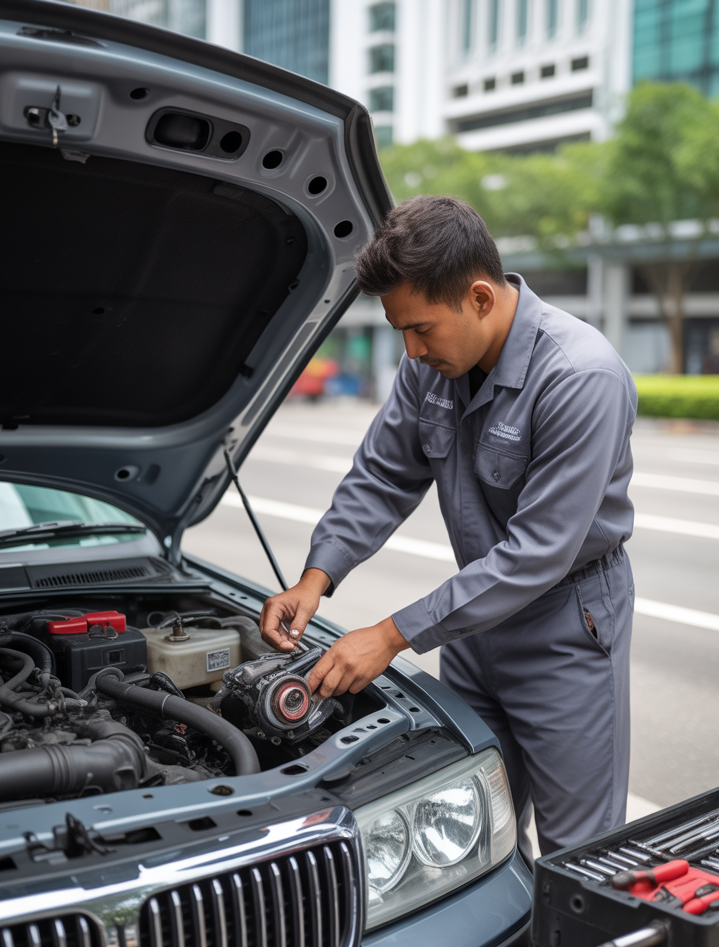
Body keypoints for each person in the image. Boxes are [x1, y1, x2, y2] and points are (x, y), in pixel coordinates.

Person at [259, 194, 637, 865]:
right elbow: (382, 476)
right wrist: (315, 579)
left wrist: (390, 636)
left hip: (564, 628)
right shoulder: (430, 367)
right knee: (468, 833)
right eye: (400, 330)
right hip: (472, 625)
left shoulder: (580, 376)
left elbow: (537, 554)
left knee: (579, 858)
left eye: (421, 329)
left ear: (480, 298)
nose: (410, 349)